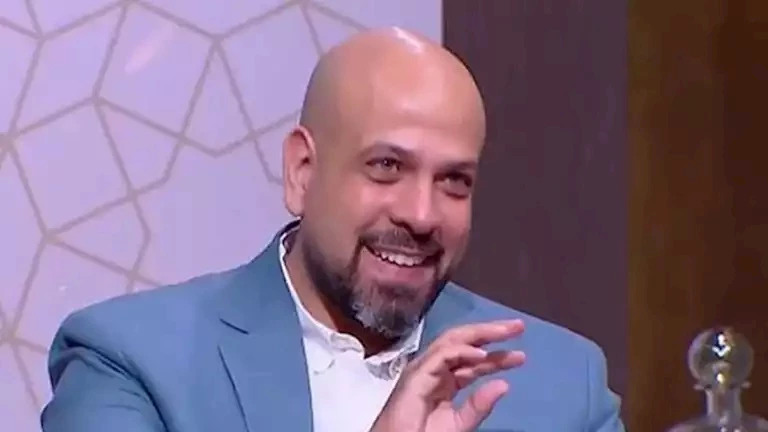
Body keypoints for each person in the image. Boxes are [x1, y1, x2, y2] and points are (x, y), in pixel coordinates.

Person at [40, 27, 625, 432]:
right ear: (302, 171)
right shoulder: (132, 362)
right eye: (386, 166)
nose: (421, 215)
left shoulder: (562, 385)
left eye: (454, 181)